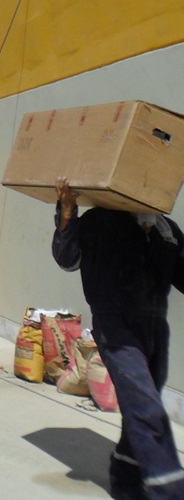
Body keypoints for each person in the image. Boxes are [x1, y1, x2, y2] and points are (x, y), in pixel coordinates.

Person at [52, 176, 184, 499]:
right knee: (147, 410)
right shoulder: (100, 221)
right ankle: (170, 492)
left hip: (154, 331)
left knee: (139, 411)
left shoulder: (166, 230)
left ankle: (126, 477)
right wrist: (66, 217)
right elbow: (67, 258)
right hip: (116, 328)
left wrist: (152, 234)